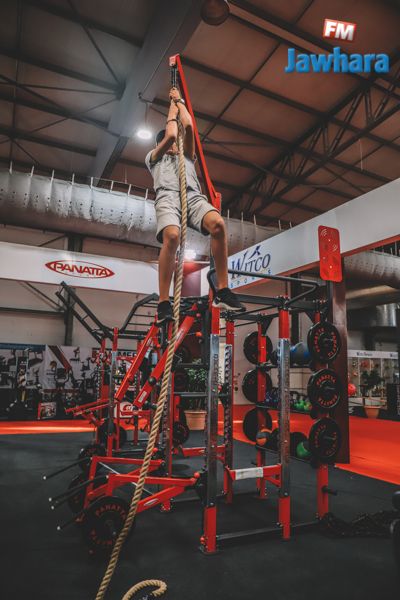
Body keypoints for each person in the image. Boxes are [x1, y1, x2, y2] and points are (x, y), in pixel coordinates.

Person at [145, 87, 245, 324]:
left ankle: (222, 291)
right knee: (172, 236)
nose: (174, 145)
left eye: (177, 144)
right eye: (169, 144)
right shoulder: (154, 158)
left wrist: (179, 100)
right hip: (168, 197)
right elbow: (171, 135)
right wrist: (171, 110)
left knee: (218, 224)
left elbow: (188, 126)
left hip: (192, 196)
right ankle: (164, 302)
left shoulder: (187, 156)